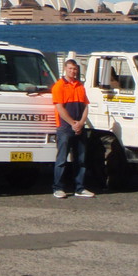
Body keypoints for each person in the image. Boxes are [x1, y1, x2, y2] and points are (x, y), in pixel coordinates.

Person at [52, 58, 95, 199]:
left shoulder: (80, 86)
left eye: (75, 69)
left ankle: (80, 188)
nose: (73, 71)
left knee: (81, 159)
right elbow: (59, 108)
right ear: (65, 69)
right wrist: (72, 123)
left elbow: (85, 106)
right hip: (65, 127)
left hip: (79, 127)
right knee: (62, 160)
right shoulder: (59, 86)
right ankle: (58, 188)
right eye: (70, 68)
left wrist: (81, 123)